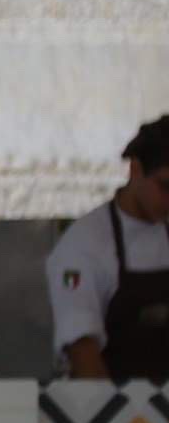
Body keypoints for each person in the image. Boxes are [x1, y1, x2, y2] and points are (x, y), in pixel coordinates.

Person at [46, 114, 169, 382]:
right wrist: (122, 420)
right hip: (108, 415)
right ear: (135, 170)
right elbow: (84, 355)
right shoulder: (83, 245)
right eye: (165, 186)